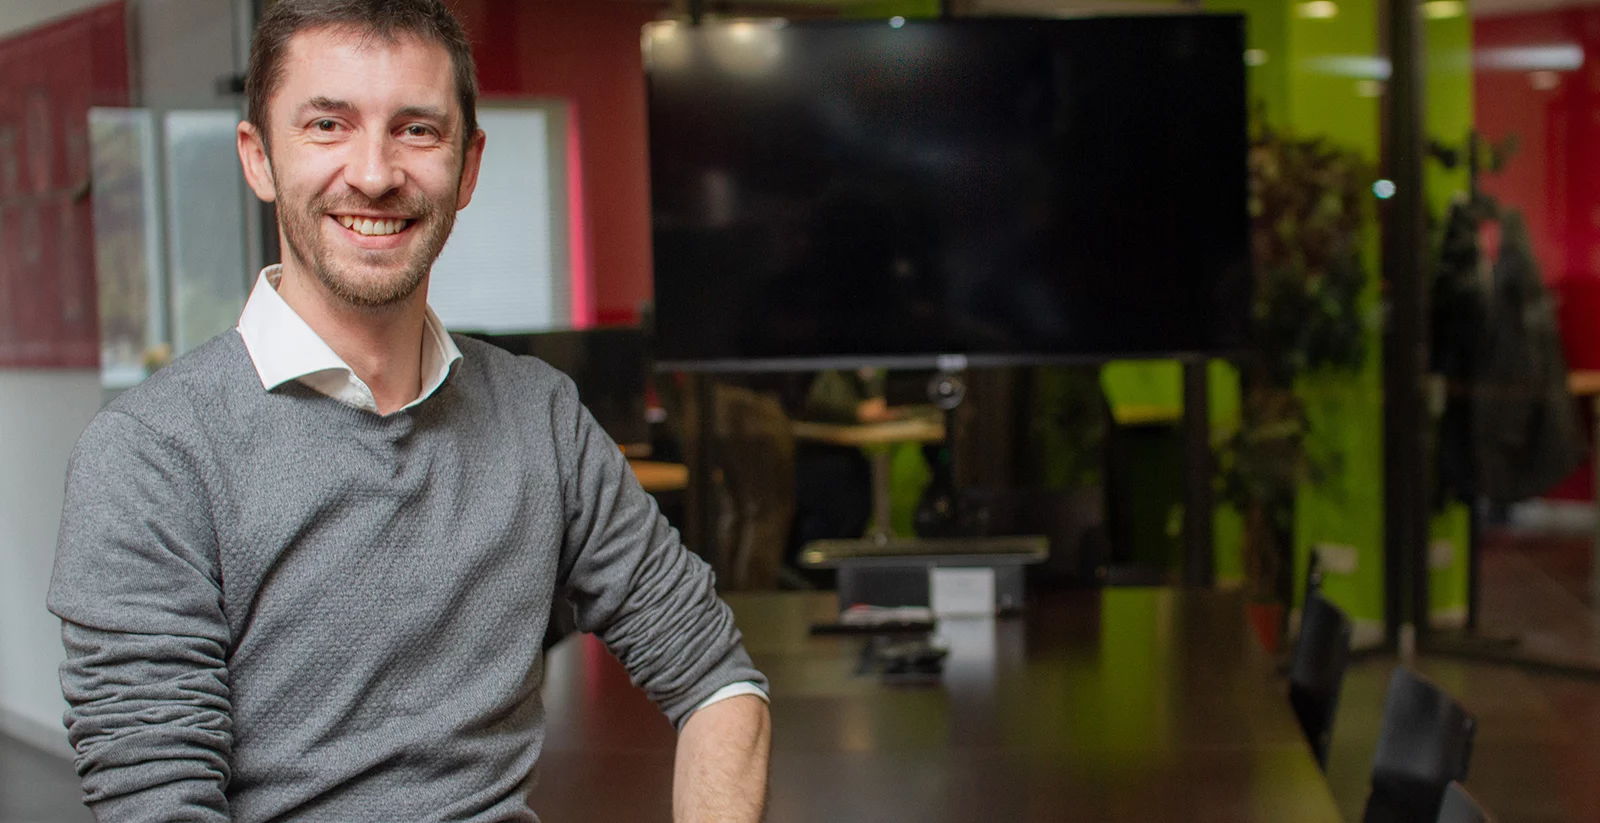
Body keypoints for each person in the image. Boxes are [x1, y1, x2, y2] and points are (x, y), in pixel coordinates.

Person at [46, 2, 769, 821]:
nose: (375, 172)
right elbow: (156, 803)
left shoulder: (541, 417)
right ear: (259, 158)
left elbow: (718, 677)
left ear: (466, 168)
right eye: (327, 124)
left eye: (417, 130)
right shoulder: (151, 455)